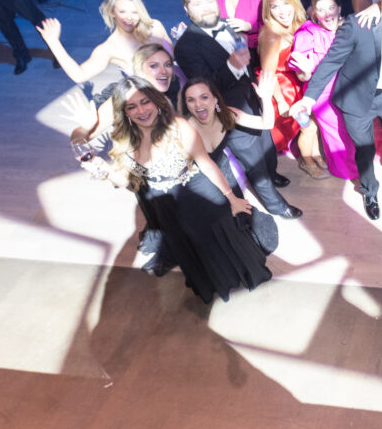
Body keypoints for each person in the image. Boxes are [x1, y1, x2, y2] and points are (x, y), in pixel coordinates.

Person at [78, 77, 272, 304]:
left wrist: (232, 198)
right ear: (125, 111)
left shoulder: (178, 127)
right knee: (191, 246)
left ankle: (240, 276)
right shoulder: (123, 140)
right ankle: (212, 284)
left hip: (201, 197)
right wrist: (106, 171)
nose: (141, 110)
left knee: (221, 241)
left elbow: (207, 164)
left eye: (145, 102)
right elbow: (126, 183)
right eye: (132, 106)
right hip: (166, 208)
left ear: (155, 101)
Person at [289, 0, 382, 221]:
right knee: (365, 150)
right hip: (356, 98)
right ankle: (370, 191)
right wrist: (309, 98)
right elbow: (330, 62)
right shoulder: (357, 25)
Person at [173, 0, 291, 190]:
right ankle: (268, 194)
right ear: (186, 9)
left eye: (209, 0)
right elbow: (204, 88)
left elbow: (244, 56)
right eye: (198, 4)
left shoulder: (228, 24)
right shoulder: (185, 45)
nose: (207, 7)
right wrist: (233, 66)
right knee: (251, 155)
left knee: (266, 141)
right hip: (229, 107)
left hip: (252, 93)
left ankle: (272, 173)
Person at [182, 74, 284, 250]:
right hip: (200, 184)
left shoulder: (226, 114)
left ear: (215, 99)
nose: (198, 104)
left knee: (248, 228)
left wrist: (266, 99)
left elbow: (266, 123)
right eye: (191, 100)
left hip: (225, 175)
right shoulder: (186, 129)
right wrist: (230, 197)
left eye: (204, 97)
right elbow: (204, 167)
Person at [288, 0, 359, 181]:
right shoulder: (308, 34)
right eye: (321, 9)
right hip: (323, 95)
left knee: (353, 131)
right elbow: (302, 77)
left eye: (331, 7)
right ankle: (348, 172)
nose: (327, 14)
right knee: (338, 134)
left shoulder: (347, 28)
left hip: (348, 90)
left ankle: (356, 166)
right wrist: (306, 70)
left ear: (339, 8)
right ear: (313, 13)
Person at [257, 0, 327, 179]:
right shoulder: (271, 35)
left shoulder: (298, 24)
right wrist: (280, 101)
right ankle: (308, 163)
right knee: (309, 127)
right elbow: (268, 74)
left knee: (313, 124)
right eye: (275, 6)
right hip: (281, 89)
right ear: (268, 10)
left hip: (297, 84)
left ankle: (316, 155)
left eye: (286, 3)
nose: (282, 11)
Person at [38, 0, 172, 85]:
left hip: (177, 84)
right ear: (112, 12)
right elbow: (79, 75)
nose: (129, 17)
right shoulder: (109, 48)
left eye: (134, 12)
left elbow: (173, 57)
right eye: (122, 12)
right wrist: (53, 42)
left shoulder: (154, 27)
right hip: (152, 100)